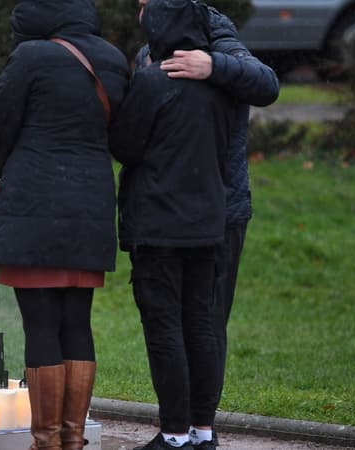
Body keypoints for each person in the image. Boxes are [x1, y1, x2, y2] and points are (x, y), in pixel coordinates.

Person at [0, 1, 129, 449]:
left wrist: (7, 168)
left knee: (41, 325)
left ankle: (46, 442)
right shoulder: (113, 58)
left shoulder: (30, 56)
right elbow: (122, 135)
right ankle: (73, 439)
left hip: (34, 206)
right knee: (77, 323)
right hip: (91, 205)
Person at [133, 1, 279, 447]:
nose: (139, 9)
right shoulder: (148, 52)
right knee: (179, 323)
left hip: (221, 209)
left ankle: (198, 430)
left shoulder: (219, 39)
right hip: (171, 209)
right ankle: (184, 430)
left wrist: (212, 65)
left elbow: (267, 84)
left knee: (205, 321)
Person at [109, 0, 236, 448]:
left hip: (159, 225)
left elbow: (125, 146)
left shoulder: (150, 81)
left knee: (164, 329)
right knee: (200, 324)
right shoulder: (220, 86)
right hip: (207, 223)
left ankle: (175, 434)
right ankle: (204, 430)